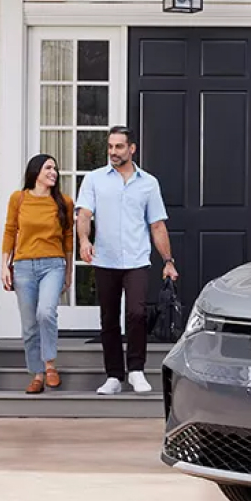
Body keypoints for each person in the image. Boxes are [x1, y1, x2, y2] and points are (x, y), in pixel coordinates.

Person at [75, 126, 178, 394]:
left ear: (132, 149)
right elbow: (84, 214)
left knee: (136, 314)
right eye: (110, 147)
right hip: (105, 259)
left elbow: (157, 225)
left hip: (136, 259)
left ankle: (136, 371)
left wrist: (168, 261)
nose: (113, 152)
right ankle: (113, 376)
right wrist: (84, 241)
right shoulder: (95, 179)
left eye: (119, 147)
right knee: (109, 319)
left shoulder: (148, 183)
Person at [2, 154, 75, 394]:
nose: (54, 172)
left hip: (53, 265)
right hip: (23, 266)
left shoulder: (64, 202)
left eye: (55, 168)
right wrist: (4, 265)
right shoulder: (19, 198)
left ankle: (50, 364)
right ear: (35, 172)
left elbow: (67, 240)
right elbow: (10, 232)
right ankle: (37, 374)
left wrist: (69, 272)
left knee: (46, 312)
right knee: (29, 324)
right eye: (48, 168)